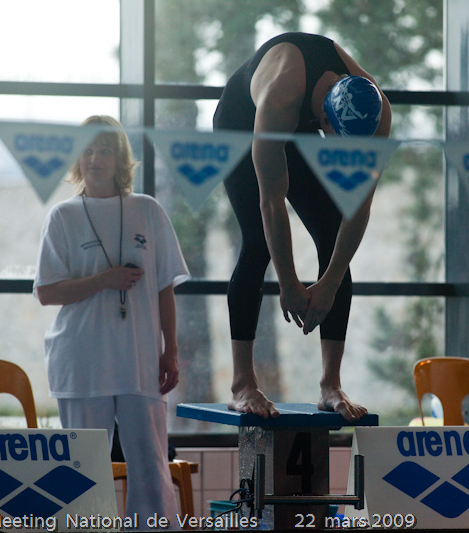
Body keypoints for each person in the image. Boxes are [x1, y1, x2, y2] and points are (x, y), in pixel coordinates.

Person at [213, 32, 392, 421]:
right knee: (258, 243)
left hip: (298, 121)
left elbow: (358, 206)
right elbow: (271, 200)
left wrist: (329, 282)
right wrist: (289, 282)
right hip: (243, 120)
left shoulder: (378, 115)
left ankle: (331, 384)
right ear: (324, 117)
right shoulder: (281, 97)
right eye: (335, 138)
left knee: (333, 239)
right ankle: (242, 383)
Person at [34, 115, 190, 524]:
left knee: (151, 469)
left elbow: (164, 286)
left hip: (139, 359)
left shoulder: (147, 210)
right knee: (82, 471)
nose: (95, 159)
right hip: (82, 359)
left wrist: (170, 351)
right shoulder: (63, 216)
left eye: (105, 150)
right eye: (88, 150)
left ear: (120, 158)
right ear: (77, 158)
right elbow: (47, 292)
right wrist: (104, 280)